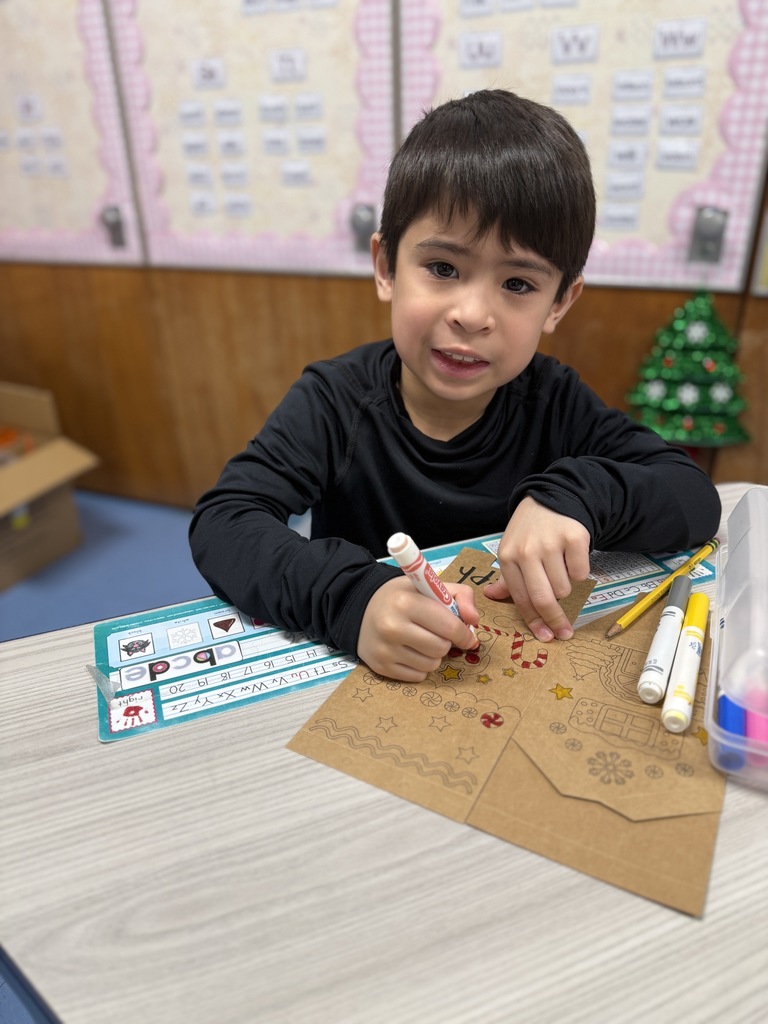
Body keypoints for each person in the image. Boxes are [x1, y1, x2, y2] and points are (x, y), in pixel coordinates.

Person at [189, 89, 721, 682]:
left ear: (559, 303)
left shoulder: (554, 400)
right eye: (443, 269)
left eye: (518, 283)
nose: (472, 314)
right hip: (369, 672)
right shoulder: (333, 400)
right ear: (387, 266)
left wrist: (575, 496)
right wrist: (350, 600)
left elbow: (695, 497)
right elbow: (225, 521)